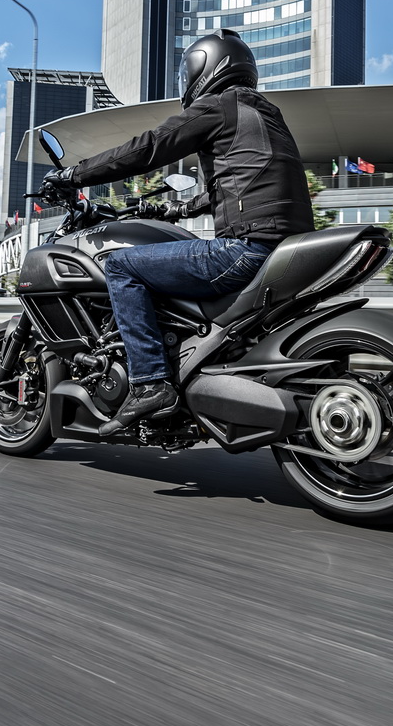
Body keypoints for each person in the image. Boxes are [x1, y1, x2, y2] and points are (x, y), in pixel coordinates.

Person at [41, 28, 315, 433]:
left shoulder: (219, 106)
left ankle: (150, 383)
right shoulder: (266, 114)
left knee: (121, 267)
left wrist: (74, 175)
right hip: (282, 245)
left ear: (207, 67)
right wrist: (177, 208)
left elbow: (148, 147)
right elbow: (239, 184)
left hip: (245, 249)